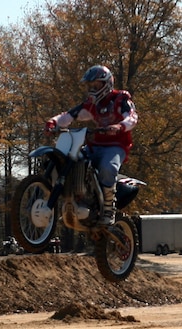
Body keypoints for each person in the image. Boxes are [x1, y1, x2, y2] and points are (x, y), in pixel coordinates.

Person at [45, 65, 138, 226]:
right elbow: (70, 115)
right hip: (94, 144)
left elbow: (132, 117)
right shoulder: (92, 104)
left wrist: (119, 126)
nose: (92, 89)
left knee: (108, 168)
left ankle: (109, 209)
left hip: (116, 145)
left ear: (107, 83)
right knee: (73, 161)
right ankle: (74, 203)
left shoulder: (120, 99)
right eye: (90, 86)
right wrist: (53, 122)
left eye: (96, 85)